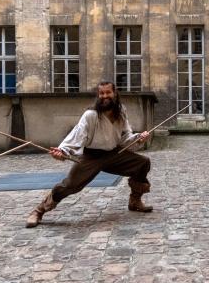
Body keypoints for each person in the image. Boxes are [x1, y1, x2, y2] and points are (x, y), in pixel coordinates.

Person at [25, 81, 152, 228]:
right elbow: (78, 135)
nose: (105, 96)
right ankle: (39, 211)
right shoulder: (90, 115)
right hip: (92, 157)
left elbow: (124, 137)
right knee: (70, 185)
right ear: (98, 95)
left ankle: (135, 200)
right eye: (102, 93)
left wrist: (138, 138)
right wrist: (63, 151)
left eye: (108, 92)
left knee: (142, 163)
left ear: (115, 93)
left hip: (114, 154)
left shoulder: (121, 111)